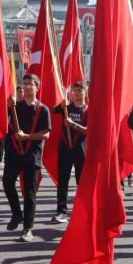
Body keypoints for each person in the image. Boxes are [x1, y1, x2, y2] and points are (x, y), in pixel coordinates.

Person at [1, 74, 51, 242]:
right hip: (14, 153)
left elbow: (46, 134)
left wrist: (27, 136)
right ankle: (17, 214)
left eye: (31, 84)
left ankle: (28, 228)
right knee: (7, 183)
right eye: (25, 83)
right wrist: (8, 106)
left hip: (32, 154)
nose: (27, 86)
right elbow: (3, 124)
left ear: (37, 87)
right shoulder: (15, 107)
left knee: (29, 193)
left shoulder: (42, 109)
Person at [51, 82, 88, 224]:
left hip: (81, 150)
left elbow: (89, 130)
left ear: (85, 93)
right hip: (65, 149)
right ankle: (61, 211)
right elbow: (50, 108)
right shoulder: (65, 108)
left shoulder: (89, 110)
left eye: (80, 90)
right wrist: (60, 100)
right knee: (63, 181)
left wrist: (72, 124)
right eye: (75, 90)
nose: (77, 92)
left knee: (81, 182)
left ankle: (82, 210)